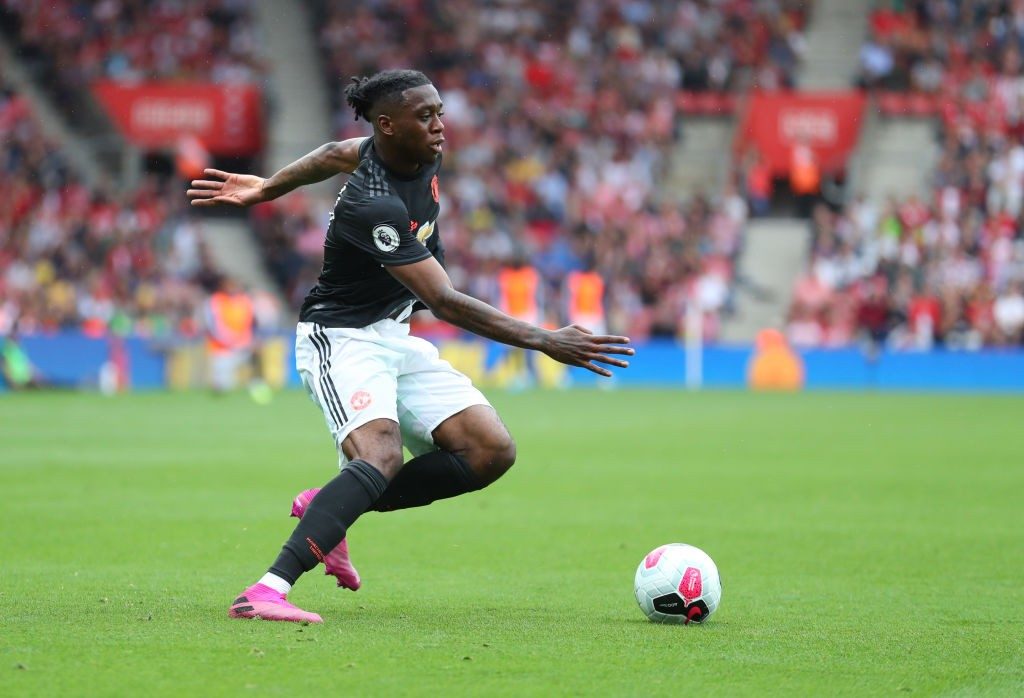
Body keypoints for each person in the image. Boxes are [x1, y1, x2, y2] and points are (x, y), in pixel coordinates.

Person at [187, 69, 634, 623]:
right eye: (425, 116)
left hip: (393, 333)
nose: (441, 125)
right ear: (387, 126)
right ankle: (267, 589)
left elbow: (330, 152)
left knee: (490, 450)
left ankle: (329, 505)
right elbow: (443, 300)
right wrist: (542, 338)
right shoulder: (370, 206)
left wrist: (266, 188)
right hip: (342, 338)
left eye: (439, 111)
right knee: (381, 457)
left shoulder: (414, 152)